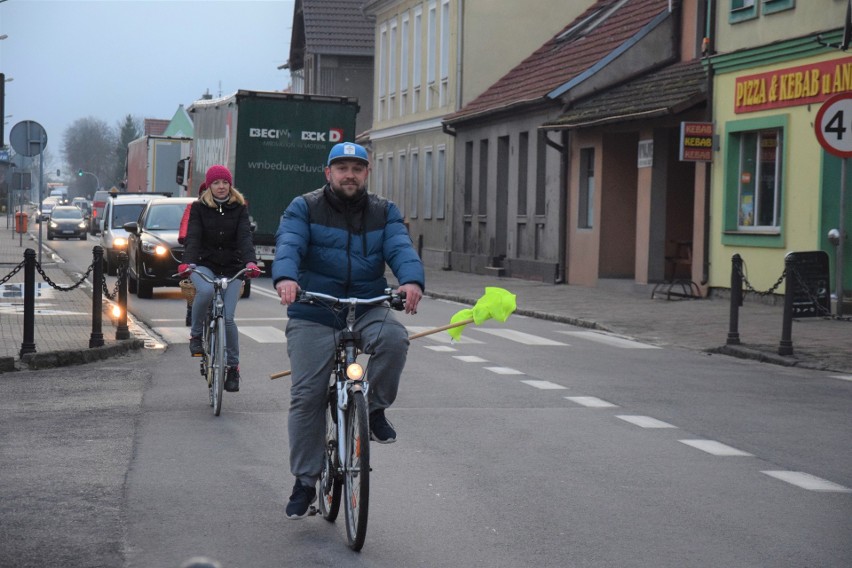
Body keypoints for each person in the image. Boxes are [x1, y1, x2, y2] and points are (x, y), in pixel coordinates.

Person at [273, 141, 424, 519]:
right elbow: (289, 244)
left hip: (367, 305)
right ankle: (306, 482)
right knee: (306, 394)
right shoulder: (303, 207)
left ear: (367, 173)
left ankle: (372, 411)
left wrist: (411, 281)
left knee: (395, 339)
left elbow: (401, 248)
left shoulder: (384, 211)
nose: (350, 175)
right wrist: (287, 278)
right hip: (314, 309)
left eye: (357, 168)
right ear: (328, 173)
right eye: (342, 168)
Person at [178, 165, 261, 393]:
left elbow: (245, 237)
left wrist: (250, 263)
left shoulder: (239, 208)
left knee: (229, 319)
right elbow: (193, 237)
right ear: (209, 186)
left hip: (232, 267)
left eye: (225, 182)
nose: (221, 187)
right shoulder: (199, 208)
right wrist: (188, 262)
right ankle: (196, 335)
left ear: (230, 185)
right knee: (204, 292)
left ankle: (233, 368)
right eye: (216, 183)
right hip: (204, 264)